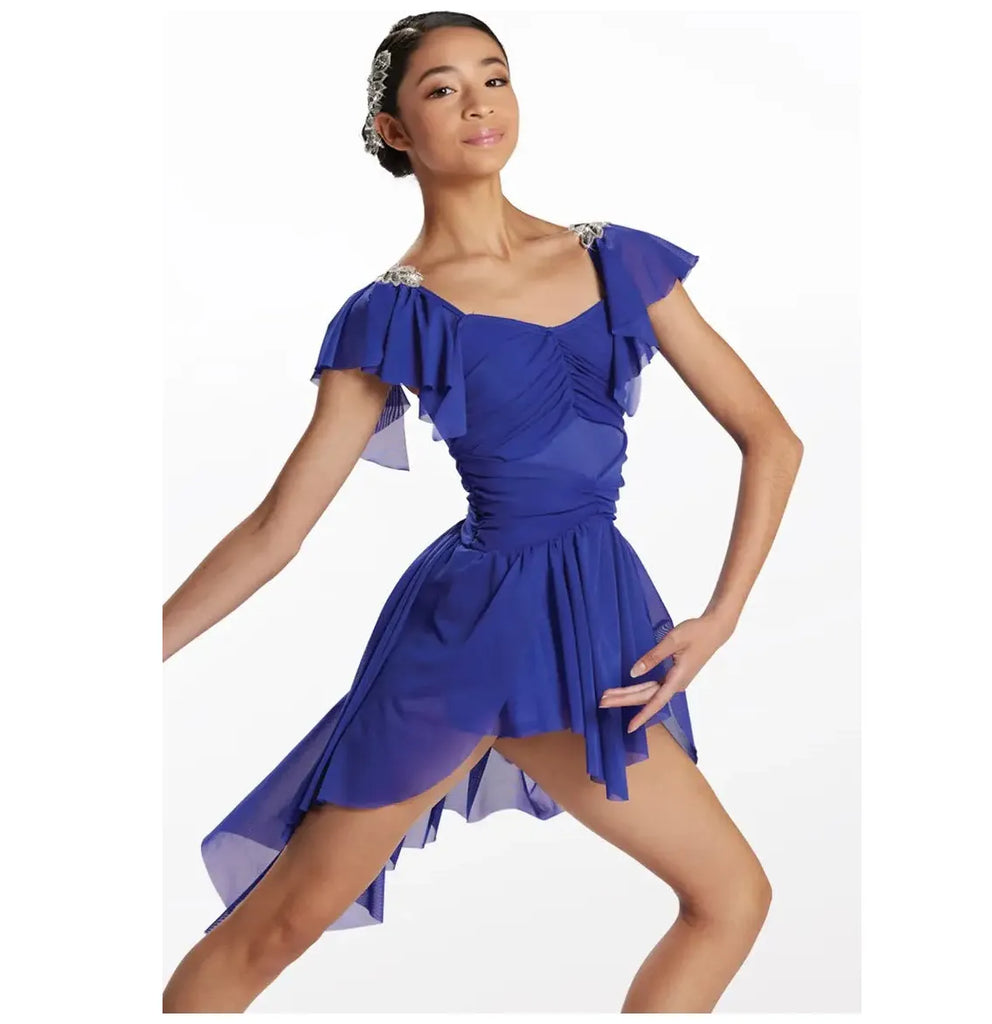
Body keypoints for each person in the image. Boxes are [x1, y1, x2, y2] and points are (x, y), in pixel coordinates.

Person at [162, 11, 803, 1014]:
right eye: (442, 89)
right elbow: (276, 529)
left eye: (493, 77)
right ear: (394, 131)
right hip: (465, 638)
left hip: (591, 626)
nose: (478, 104)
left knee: (731, 897)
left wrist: (720, 618)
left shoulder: (618, 258)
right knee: (275, 928)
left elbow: (772, 437)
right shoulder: (394, 311)